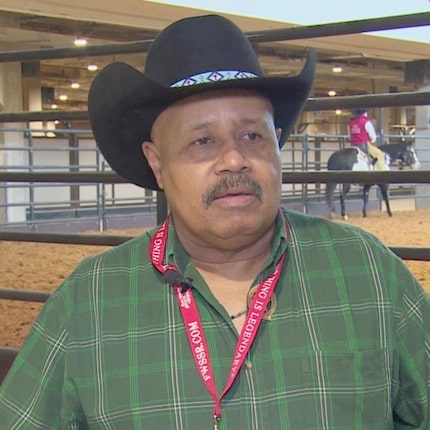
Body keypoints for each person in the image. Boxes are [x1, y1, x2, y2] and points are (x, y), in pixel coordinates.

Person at [1, 14, 429, 429]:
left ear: (278, 145)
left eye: (252, 136)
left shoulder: (370, 274)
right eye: (202, 141)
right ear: (157, 163)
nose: (234, 159)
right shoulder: (88, 301)